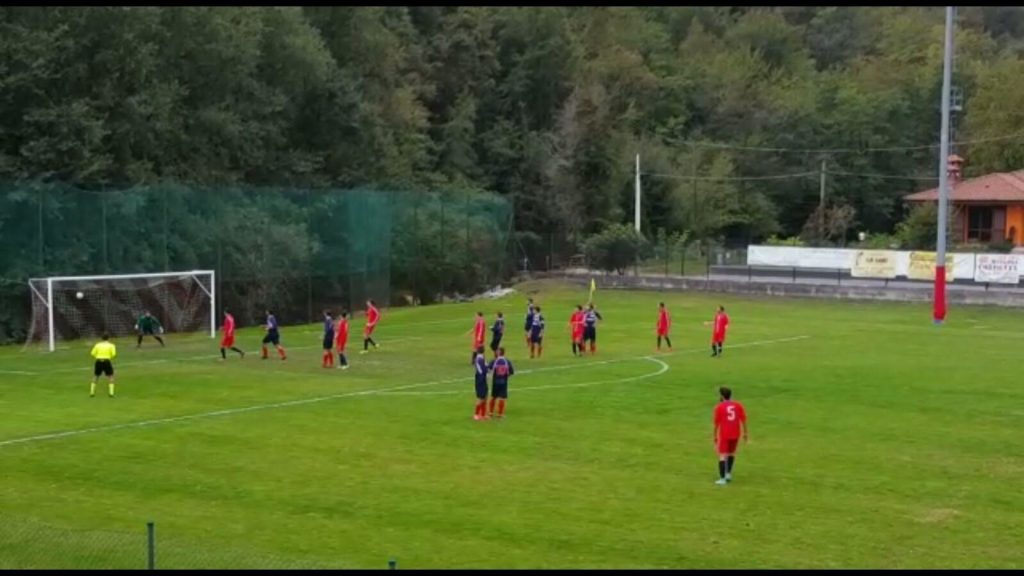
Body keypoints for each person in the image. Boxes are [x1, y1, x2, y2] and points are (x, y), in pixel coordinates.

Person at [713, 386, 748, 485]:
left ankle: (722, 479)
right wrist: (745, 433)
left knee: (722, 456)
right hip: (736, 433)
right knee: (731, 453)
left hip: (725, 434)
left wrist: (715, 436)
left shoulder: (719, 407)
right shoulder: (738, 405)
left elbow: (716, 424)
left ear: (722, 396)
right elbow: (743, 420)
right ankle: (728, 473)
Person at [488, 347, 515, 419]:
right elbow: (511, 372)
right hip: (503, 382)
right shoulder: (507, 361)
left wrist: (491, 375)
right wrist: (506, 376)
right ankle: (500, 414)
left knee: (493, 397)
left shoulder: (494, 361)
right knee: (502, 398)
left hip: (495, 382)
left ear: (498, 353)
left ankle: (490, 413)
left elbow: (489, 369)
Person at [90, 333, 117, 398]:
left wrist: (98, 357)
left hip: (98, 360)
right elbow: (113, 354)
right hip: (107, 361)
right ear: (108, 338)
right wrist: (107, 356)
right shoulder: (111, 345)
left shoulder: (97, 345)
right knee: (110, 376)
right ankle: (111, 393)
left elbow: (92, 353)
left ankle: (92, 393)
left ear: (101, 338)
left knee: (96, 376)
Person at [472, 350, 489, 420]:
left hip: (483, 380)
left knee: (485, 397)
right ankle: (476, 414)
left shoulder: (482, 359)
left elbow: (486, 367)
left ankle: (483, 414)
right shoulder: (478, 360)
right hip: (480, 381)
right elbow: (481, 371)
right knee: (480, 398)